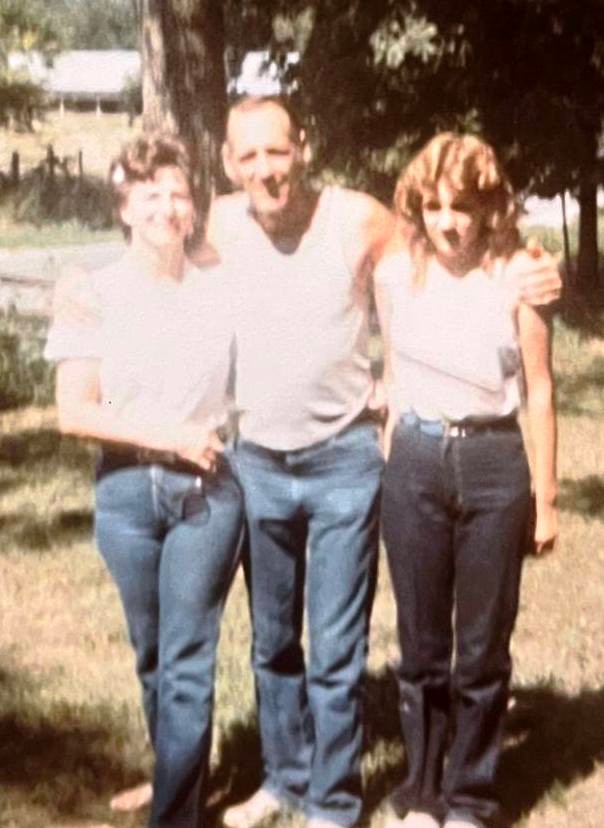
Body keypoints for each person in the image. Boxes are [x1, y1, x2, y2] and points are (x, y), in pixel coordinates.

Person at [207, 97, 561, 828]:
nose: (266, 170)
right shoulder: (219, 224)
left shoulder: (361, 220)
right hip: (266, 461)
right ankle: (291, 778)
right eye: (249, 155)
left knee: (348, 647)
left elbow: (464, 252)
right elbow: (156, 265)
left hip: (351, 459)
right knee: (278, 641)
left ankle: (346, 800)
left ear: (304, 147)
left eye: (278, 151)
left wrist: (538, 268)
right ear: (228, 162)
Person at [45, 133, 244, 828]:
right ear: (125, 207)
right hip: (126, 495)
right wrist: (166, 435)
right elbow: (73, 412)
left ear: (195, 207)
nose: (167, 208)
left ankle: (175, 815)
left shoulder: (222, 284)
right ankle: (175, 778)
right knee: (153, 653)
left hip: (205, 492)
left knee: (187, 657)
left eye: (179, 194)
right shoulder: (92, 290)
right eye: (149, 195)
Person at [374, 132, 558, 828]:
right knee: (421, 646)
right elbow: (394, 371)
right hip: (416, 460)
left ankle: (470, 797)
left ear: (490, 208)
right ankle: (423, 792)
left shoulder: (520, 278)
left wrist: (546, 499)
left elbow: (540, 390)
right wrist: (394, 455)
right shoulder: (397, 276)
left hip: (493, 463)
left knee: (481, 649)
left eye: (463, 207)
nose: (448, 223)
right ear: (416, 208)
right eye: (434, 206)